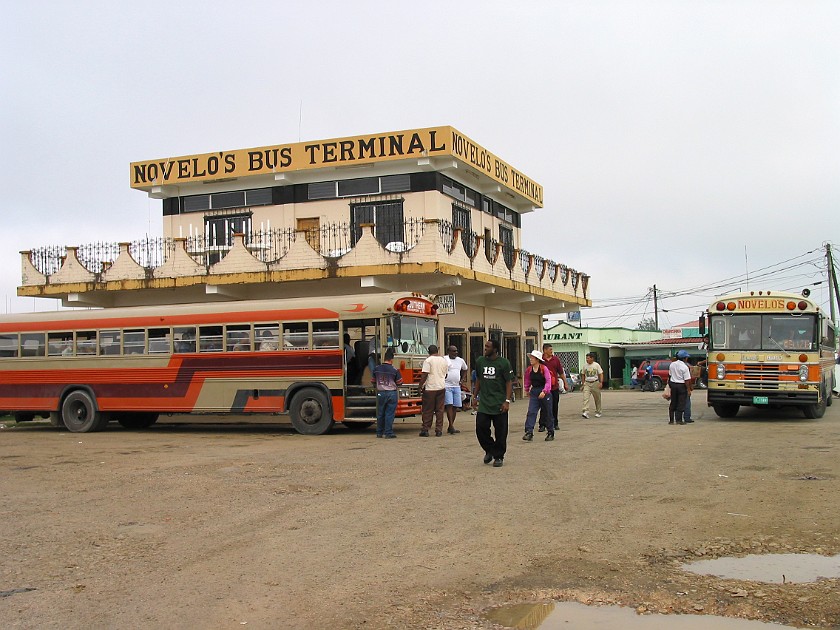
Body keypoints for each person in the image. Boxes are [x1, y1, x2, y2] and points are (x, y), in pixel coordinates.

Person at [471, 339, 513, 467]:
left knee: (501, 432)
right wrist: (475, 396)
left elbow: (509, 382)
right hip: (485, 403)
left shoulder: (504, 363)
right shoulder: (480, 362)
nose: (485, 348)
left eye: (488, 347)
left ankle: (499, 456)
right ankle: (490, 450)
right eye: (485, 346)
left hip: (499, 403)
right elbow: (479, 379)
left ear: (495, 349)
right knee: (480, 429)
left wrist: (507, 400)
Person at [522, 350, 554, 442]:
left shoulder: (544, 368)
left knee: (548, 412)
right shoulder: (529, 370)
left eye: (532, 358)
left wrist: (544, 391)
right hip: (534, 391)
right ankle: (529, 432)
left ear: (537, 359)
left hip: (544, 391)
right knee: (531, 411)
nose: (531, 359)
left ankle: (550, 432)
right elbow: (527, 380)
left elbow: (548, 381)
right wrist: (527, 389)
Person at [371, 347, 403, 438]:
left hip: (380, 393)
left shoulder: (377, 369)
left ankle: (379, 432)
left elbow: (373, 381)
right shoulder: (394, 370)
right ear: (391, 360)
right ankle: (388, 432)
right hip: (391, 393)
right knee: (389, 413)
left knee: (380, 413)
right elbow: (400, 382)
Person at [418, 344, 448, 437]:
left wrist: (420, 386)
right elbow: (446, 374)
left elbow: (424, 375)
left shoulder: (428, 360)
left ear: (428, 351)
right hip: (441, 387)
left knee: (428, 410)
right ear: (437, 351)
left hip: (430, 388)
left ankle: (425, 429)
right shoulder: (443, 360)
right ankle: (439, 430)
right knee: (440, 410)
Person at [540, 343, 568, 431]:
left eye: (552, 350)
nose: (551, 351)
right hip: (543, 388)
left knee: (554, 406)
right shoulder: (540, 360)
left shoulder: (555, 360)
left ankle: (555, 423)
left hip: (554, 387)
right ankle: (542, 424)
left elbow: (561, 372)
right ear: (545, 350)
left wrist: (565, 383)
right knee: (544, 407)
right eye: (550, 350)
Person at [444, 345, 468, 434]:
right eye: (453, 351)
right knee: (449, 405)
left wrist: (462, 380)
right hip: (447, 386)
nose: (455, 353)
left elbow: (465, 369)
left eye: (456, 351)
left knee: (455, 406)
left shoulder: (460, 360)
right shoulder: (444, 359)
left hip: (457, 386)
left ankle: (451, 426)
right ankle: (451, 426)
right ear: (448, 351)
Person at [668, 349, 692, 425]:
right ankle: (679, 420)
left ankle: (671, 420)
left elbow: (670, 375)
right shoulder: (685, 367)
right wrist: (688, 390)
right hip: (681, 386)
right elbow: (687, 380)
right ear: (684, 358)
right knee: (681, 403)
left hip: (673, 385)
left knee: (673, 402)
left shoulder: (672, 364)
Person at [580, 352, 604, 418]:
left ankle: (598, 411)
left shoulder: (596, 365)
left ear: (592, 358)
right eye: (586, 358)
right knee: (586, 397)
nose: (587, 360)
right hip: (587, 383)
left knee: (597, 398)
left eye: (588, 358)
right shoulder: (585, 366)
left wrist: (601, 382)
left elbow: (601, 373)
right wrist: (583, 384)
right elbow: (583, 375)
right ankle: (585, 411)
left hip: (595, 383)